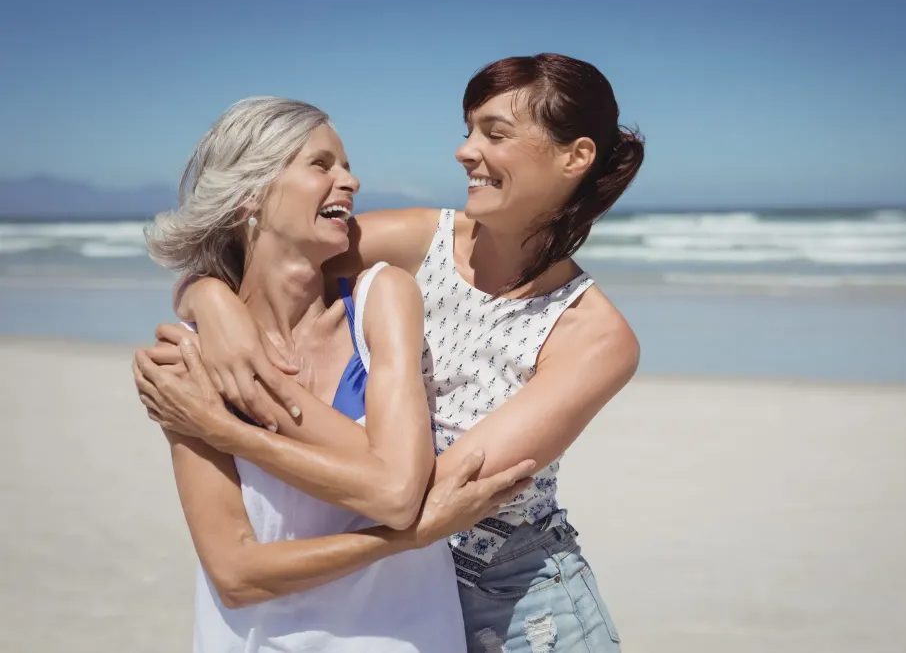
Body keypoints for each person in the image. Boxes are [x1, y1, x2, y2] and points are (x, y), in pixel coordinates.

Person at [150, 52, 643, 653]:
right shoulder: (416, 242)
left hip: (522, 607)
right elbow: (266, 254)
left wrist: (230, 422)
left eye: (495, 133)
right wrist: (208, 302)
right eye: (468, 131)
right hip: (394, 586)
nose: (465, 151)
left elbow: (425, 488)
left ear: (575, 157)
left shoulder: (592, 335)